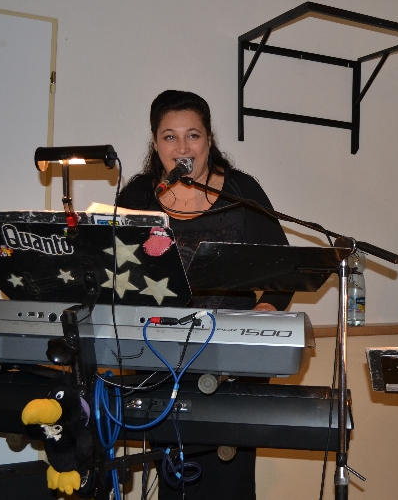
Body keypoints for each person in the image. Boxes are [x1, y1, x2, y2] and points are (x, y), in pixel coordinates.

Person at [117, 90, 293, 499]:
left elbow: (283, 271)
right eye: (170, 137)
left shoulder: (240, 191)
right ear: (156, 143)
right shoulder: (137, 197)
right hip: (160, 357)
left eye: (192, 135)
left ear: (209, 140)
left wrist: (264, 309)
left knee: (230, 480)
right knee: (175, 476)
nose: (182, 147)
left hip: (232, 359)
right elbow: (116, 272)